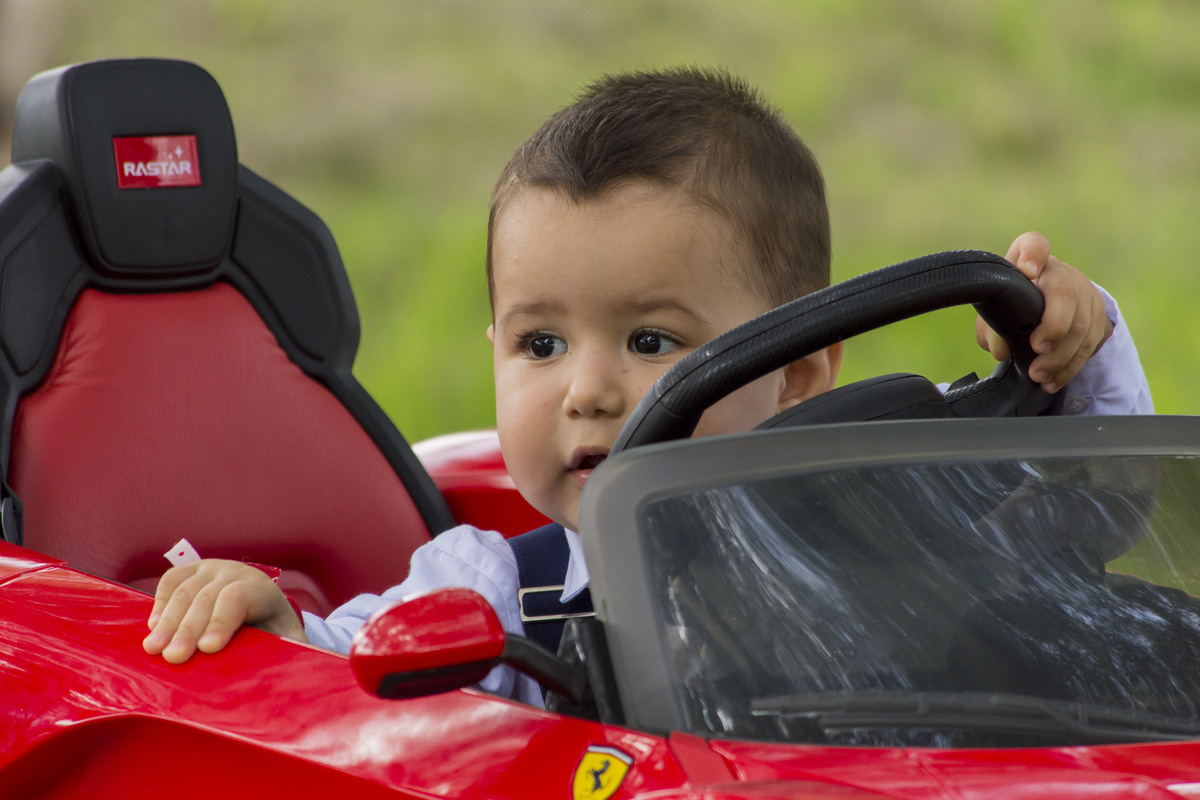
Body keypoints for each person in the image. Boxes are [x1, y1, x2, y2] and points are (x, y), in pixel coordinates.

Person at [142, 69, 1151, 706]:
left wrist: (1078, 343)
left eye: (651, 337)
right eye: (540, 343)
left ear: (798, 374)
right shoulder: (497, 587)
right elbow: (354, 677)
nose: (588, 389)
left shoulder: (895, 518)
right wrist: (284, 636)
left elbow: (1090, 515)